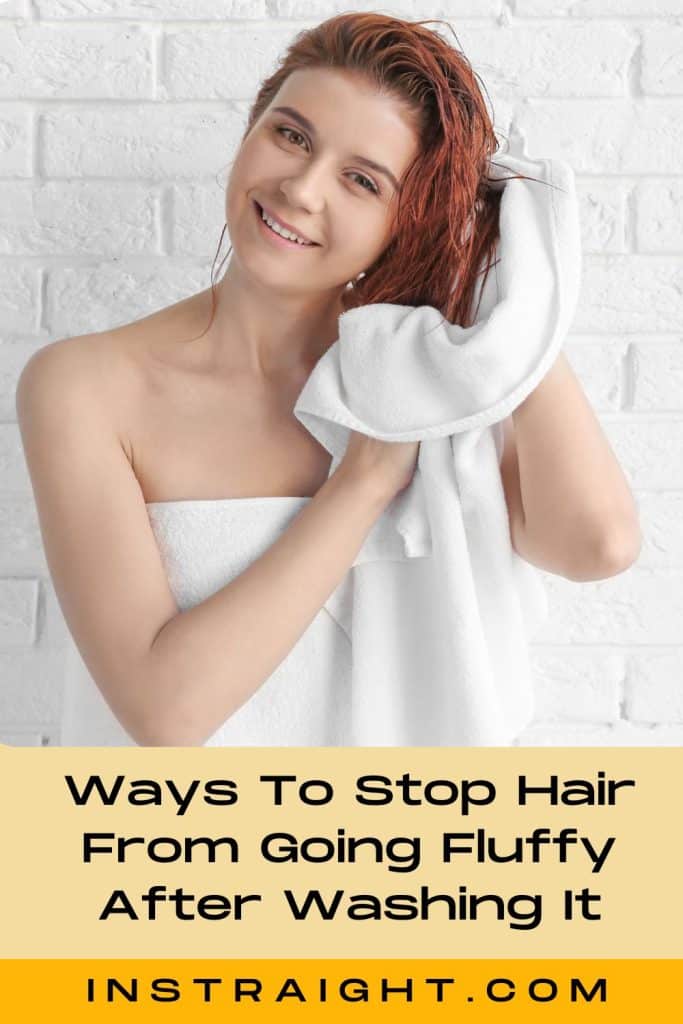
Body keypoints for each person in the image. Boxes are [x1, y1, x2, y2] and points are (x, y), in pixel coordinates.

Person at [15, 13, 640, 748]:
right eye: (291, 135)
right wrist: (362, 482)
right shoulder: (84, 386)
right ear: (251, 129)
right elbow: (164, 712)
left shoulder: (433, 380)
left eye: (361, 180)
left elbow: (596, 546)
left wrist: (508, 299)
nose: (302, 190)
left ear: (409, 221)